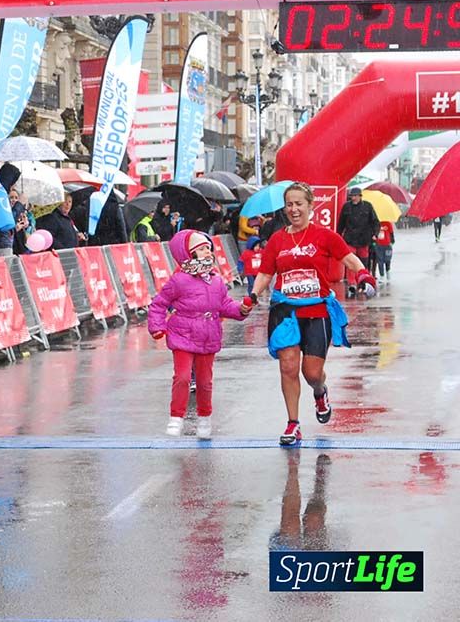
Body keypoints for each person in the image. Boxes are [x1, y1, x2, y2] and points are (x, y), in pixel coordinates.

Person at [250, 182, 377, 446]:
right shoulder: (277, 239)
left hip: (317, 310)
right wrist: (252, 296)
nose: (293, 209)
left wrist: (364, 274)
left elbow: (348, 258)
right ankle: (293, 424)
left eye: (299, 204)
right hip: (285, 310)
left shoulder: (324, 235)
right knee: (287, 366)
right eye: (289, 205)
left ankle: (320, 393)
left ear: (310, 206)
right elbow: (265, 272)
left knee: (312, 373)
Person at [147, 230, 251, 439]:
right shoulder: (179, 280)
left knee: (204, 382)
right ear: (189, 254)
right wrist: (157, 327)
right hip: (182, 334)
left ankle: (205, 418)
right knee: (183, 377)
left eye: (208, 249)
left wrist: (240, 309)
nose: (208, 252)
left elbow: (224, 304)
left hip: (208, 335)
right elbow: (159, 304)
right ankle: (176, 417)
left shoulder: (217, 281)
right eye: (202, 249)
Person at [336, 187, 379, 298]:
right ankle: (352, 283)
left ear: (360, 196)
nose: (353, 198)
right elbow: (341, 223)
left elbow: (375, 221)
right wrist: (338, 235)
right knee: (351, 261)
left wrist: (375, 234)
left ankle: (363, 282)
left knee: (363, 262)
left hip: (364, 239)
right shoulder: (346, 207)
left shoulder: (368, 206)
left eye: (355, 196)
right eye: (352, 196)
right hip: (350, 238)